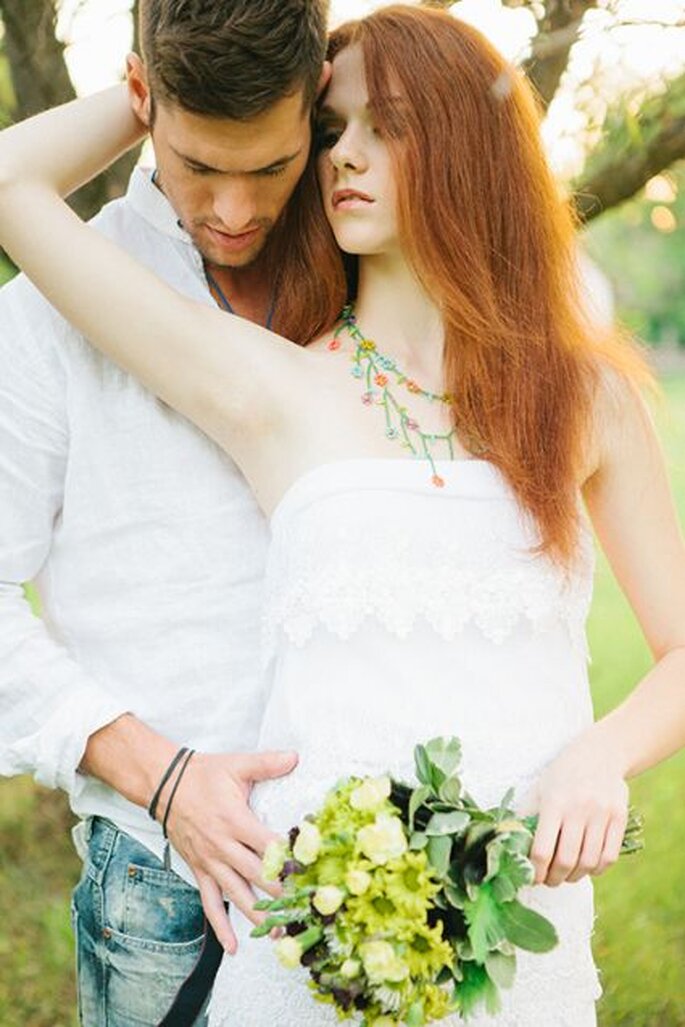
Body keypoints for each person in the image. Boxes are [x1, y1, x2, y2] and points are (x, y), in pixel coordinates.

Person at [1, 5, 684, 1025]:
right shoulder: (273, 390)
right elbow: (11, 184)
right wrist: (159, 87)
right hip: (310, 926)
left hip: (521, 935)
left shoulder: (585, 400)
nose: (342, 158)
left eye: (385, 125)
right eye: (330, 130)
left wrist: (600, 754)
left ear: (471, 144)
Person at [0, 0, 332, 1023]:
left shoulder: (370, 274)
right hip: (158, 885)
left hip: (373, 862)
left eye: (269, 169)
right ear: (140, 96)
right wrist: (166, 778)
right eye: (198, 166)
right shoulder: (43, 311)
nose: (233, 210)